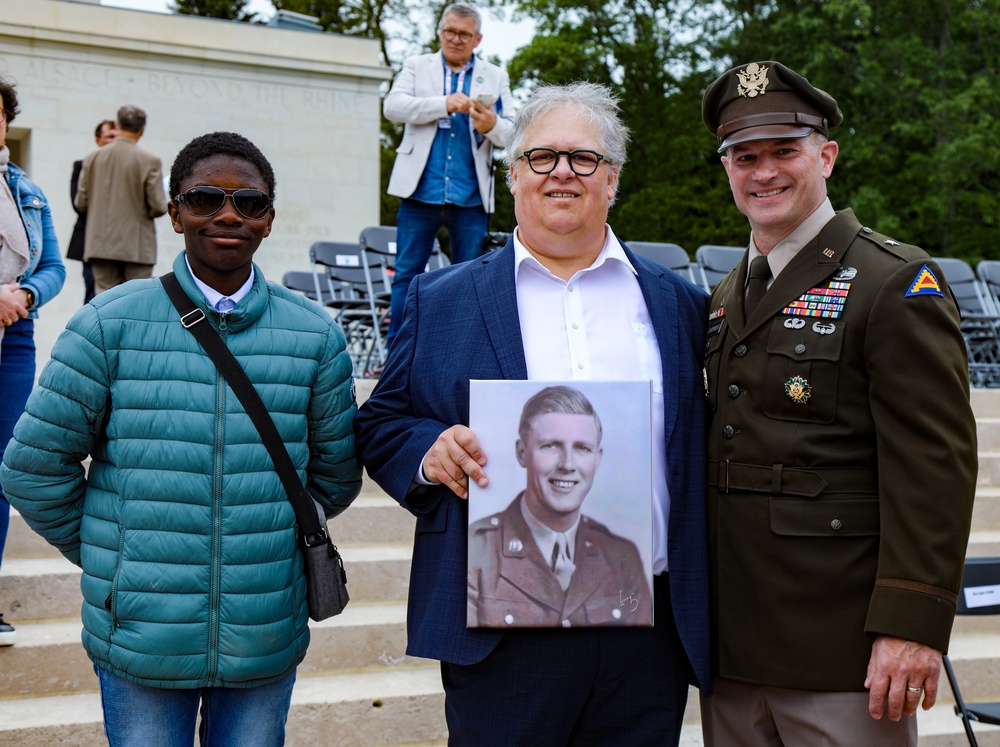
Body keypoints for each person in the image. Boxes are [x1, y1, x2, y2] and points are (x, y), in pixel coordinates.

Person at [356, 82, 709, 745]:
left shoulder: (678, 307)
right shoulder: (441, 300)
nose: (563, 173)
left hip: (648, 632)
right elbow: (380, 423)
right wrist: (429, 451)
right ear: (514, 173)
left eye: (584, 158)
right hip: (502, 631)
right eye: (543, 156)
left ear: (613, 179)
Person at [0, 131, 362, 744]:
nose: (228, 214)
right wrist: (115, 558)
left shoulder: (315, 336)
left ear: (269, 220)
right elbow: (33, 468)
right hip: (142, 632)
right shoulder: (107, 324)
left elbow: (334, 474)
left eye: (249, 202)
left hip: (262, 629)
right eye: (205, 199)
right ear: (173, 213)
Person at [699, 60, 977, 746]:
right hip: (732, 651)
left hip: (841, 653)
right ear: (727, 168)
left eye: (783, 151)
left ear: (826, 154)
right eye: (744, 156)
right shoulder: (729, 291)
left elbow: (934, 464)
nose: (763, 172)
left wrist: (911, 624)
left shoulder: (892, 281)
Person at [382, 2, 515, 349]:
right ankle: (396, 356)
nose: (456, 39)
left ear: (478, 38)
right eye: (450, 32)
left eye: (464, 34)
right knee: (407, 276)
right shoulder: (416, 65)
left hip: (470, 195)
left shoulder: (496, 75)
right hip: (418, 191)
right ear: (440, 32)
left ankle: (462, 354)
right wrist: (443, 104)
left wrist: (492, 125)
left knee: (471, 280)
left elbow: (514, 134)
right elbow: (392, 106)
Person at [468, 385, 652, 628]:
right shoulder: (477, 550)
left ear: (598, 459)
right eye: (551, 446)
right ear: (522, 453)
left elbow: (634, 649)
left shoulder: (621, 557)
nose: (567, 464)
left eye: (582, 448)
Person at [0, 75, 67, 647]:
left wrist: (24, 295)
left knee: (4, 468)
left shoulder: (28, 189)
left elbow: (54, 269)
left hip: (14, 335)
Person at [73, 104, 168, 295]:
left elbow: (80, 203)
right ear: (142, 131)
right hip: (137, 245)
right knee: (136, 303)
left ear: (118, 124)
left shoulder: (92, 158)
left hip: (100, 244)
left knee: (104, 303)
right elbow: (158, 206)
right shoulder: (150, 160)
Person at [68, 118, 117, 304]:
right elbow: (78, 203)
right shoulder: (83, 166)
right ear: (98, 140)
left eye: (118, 137)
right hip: (92, 245)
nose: (115, 141)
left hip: (123, 245)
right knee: (93, 299)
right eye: (110, 136)